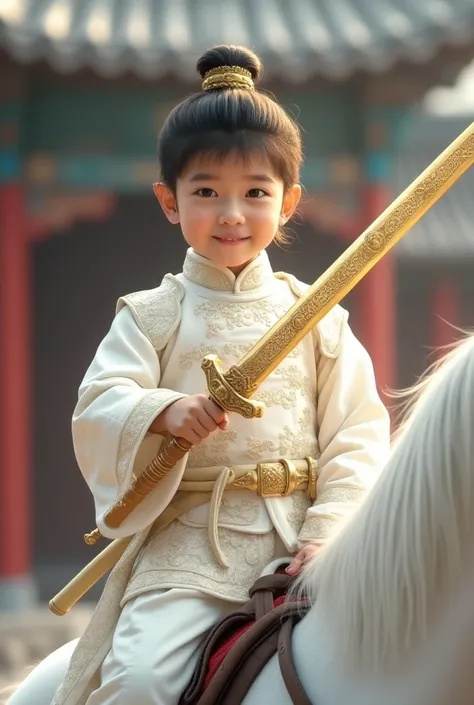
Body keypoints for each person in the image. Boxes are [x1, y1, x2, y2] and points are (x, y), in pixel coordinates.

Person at [49, 44, 390, 705]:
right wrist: (164, 411)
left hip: (310, 543)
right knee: (140, 681)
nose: (232, 213)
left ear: (288, 201)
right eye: (206, 191)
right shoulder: (151, 316)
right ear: (168, 200)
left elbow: (358, 434)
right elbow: (98, 403)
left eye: (255, 193)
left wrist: (329, 532)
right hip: (189, 551)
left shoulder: (316, 314)